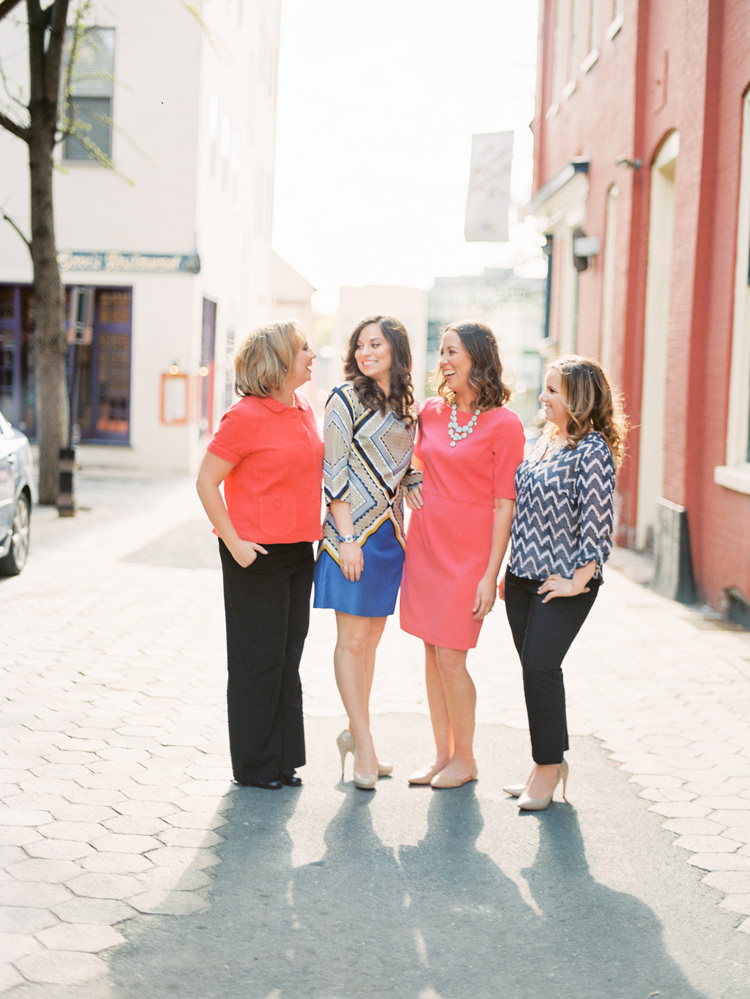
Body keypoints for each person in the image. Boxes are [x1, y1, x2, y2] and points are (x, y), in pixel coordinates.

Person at [196, 320, 323, 790]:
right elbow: (206, 482)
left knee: (287, 658)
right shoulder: (245, 416)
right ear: (280, 360)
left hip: (299, 551)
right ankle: (254, 766)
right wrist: (234, 543)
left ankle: (283, 760)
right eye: (304, 348)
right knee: (258, 663)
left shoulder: (303, 408)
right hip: (256, 555)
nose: (312, 354)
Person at [400, 320, 525, 788]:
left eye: (452, 351)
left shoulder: (506, 425)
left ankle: (466, 759)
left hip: (470, 555)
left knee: (452, 657)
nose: (444, 361)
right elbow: (411, 464)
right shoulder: (431, 412)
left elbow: (505, 505)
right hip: (426, 544)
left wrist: (490, 575)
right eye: (441, 352)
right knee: (432, 653)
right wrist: (412, 482)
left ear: (478, 357)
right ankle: (442, 754)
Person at [502, 354, 627, 810]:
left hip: (563, 582)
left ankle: (547, 767)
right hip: (521, 578)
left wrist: (579, 580)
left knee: (541, 668)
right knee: (534, 673)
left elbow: (598, 522)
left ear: (580, 398)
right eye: (546, 387)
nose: (543, 396)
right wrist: (507, 571)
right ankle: (549, 762)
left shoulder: (592, 450)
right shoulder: (544, 441)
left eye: (553, 390)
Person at [313, 315, 421, 790]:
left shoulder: (405, 406)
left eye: (375, 344)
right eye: (359, 345)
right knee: (351, 643)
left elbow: (401, 461)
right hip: (349, 539)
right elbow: (333, 471)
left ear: (396, 349)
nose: (365, 352)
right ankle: (366, 743)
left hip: (389, 538)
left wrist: (413, 477)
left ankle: (356, 735)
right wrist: (347, 539)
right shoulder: (343, 397)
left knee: (370, 646)